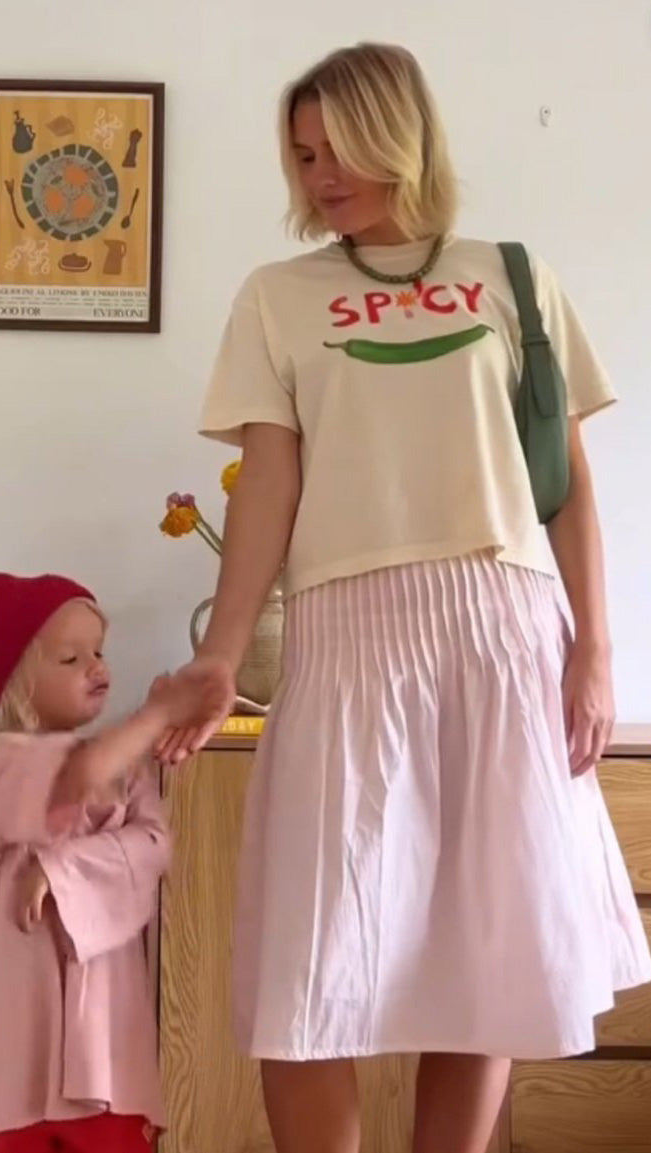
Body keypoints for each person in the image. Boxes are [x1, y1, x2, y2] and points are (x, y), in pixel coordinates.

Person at [158, 42, 651, 1153]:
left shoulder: (509, 276)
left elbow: (564, 487)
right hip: (345, 634)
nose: (320, 175)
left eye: (340, 147)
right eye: (301, 154)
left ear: (404, 135)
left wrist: (595, 652)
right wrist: (222, 657)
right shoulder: (278, 299)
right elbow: (271, 485)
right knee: (310, 965)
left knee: (486, 954)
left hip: (500, 623)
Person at [0, 571, 226, 1153]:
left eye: (99, 652)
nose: (97, 668)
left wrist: (61, 870)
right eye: (72, 657)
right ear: (18, 685)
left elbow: (154, 847)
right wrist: (154, 715)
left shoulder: (125, 767)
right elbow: (76, 783)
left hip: (105, 1043)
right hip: (19, 1046)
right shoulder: (2, 763)